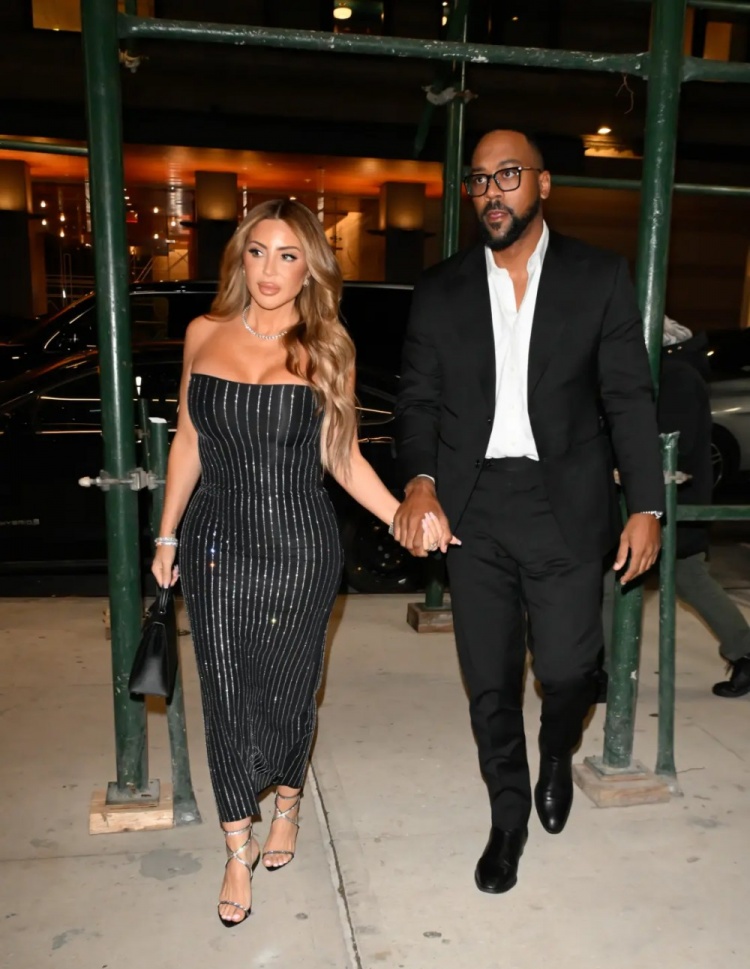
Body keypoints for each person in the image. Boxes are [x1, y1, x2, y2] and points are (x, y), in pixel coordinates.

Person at [152, 199, 446, 927]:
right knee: (226, 691)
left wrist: (403, 515)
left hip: (298, 545)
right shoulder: (203, 333)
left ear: (309, 267)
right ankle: (235, 844)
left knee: (288, 689)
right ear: (239, 258)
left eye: (288, 256)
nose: (270, 270)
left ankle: (288, 799)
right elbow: (188, 441)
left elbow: (341, 458)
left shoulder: (326, 347)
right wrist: (166, 536)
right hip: (215, 542)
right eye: (258, 252)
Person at [392, 129, 664, 895]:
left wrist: (645, 504)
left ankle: (555, 748)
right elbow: (417, 401)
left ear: (543, 184)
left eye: (508, 175)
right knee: (490, 678)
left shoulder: (597, 276)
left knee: (571, 669)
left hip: (564, 502)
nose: (492, 192)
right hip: (472, 509)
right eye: (479, 180)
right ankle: (507, 817)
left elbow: (628, 397)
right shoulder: (440, 288)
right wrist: (419, 482)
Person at [601, 319, 750, 699]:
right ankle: (745, 652)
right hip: (665, 501)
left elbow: (673, 447)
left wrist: (626, 465)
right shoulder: (669, 372)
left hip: (672, 502)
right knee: (681, 578)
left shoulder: (676, 376)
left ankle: (605, 673)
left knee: (619, 578)